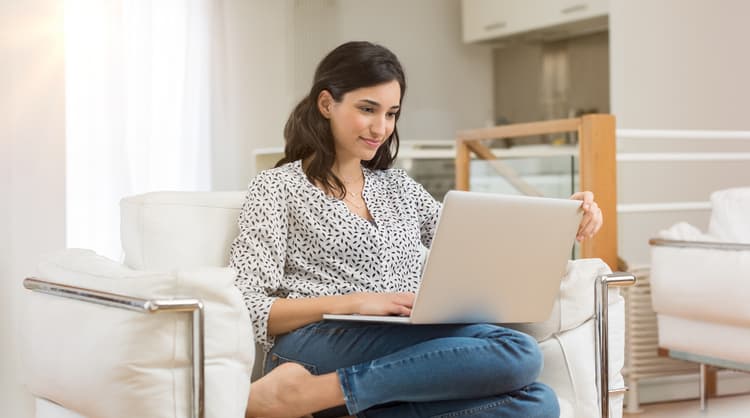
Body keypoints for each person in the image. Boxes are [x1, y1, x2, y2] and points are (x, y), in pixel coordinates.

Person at [230, 41, 603, 418]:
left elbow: (481, 239)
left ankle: (323, 400)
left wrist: (566, 217)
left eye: (391, 113)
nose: (381, 127)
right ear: (327, 104)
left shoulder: (399, 187)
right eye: (367, 109)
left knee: (539, 403)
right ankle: (308, 391)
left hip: (405, 342)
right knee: (519, 352)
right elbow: (249, 304)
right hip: (315, 345)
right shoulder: (277, 186)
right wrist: (354, 302)